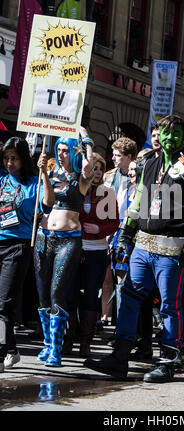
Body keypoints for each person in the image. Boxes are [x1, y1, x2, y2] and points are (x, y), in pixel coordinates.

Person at [84, 115, 184, 383]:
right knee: (129, 297)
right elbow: (139, 199)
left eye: (176, 133)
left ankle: (168, 362)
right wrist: (126, 234)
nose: (170, 138)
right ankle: (119, 357)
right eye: (165, 132)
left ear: (183, 137)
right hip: (143, 244)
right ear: (158, 136)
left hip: (173, 247)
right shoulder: (149, 163)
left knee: (169, 306)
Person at [33, 127, 94, 367]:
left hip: (68, 240)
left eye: (66, 150)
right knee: (42, 296)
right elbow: (47, 203)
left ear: (74, 152)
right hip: (43, 237)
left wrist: (85, 138)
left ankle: (57, 349)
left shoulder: (81, 176)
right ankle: (48, 345)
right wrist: (44, 174)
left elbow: (89, 164)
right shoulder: (50, 173)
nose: (61, 154)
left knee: (57, 291)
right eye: (58, 150)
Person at [0, 137, 54, 372]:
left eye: (14, 158)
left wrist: (44, 173)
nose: (10, 163)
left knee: (4, 303)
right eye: (6, 158)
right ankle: (11, 348)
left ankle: (1, 352)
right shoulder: (1, 180)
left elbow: (48, 203)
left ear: (23, 159)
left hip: (18, 246)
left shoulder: (35, 182)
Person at [62, 152, 119, 357]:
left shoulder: (108, 192)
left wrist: (100, 231)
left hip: (96, 250)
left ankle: (85, 343)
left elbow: (115, 223)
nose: (97, 171)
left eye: (101, 168)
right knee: (70, 295)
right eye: (93, 167)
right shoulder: (74, 188)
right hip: (73, 247)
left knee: (91, 296)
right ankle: (68, 339)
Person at [100, 138, 137, 334]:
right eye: (113, 155)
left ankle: (121, 321)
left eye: (117, 155)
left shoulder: (136, 178)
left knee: (121, 276)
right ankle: (104, 316)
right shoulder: (109, 176)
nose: (113, 159)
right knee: (106, 275)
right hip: (108, 228)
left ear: (129, 156)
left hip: (125, 230)